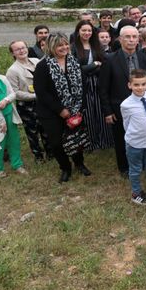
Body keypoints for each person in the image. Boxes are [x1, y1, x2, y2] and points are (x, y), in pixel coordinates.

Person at [34, 33, 92, 182]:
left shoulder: (73, 61)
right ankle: (65, 168)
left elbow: (82, 85)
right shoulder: (43, 66)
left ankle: (79, 163)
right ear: (51, 47)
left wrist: (78, 106)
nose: (64, 48)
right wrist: (60, 110)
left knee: (76, 139)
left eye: (66, 44)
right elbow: (41, 92)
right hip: (51, 112)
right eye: (60, 45)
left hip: (75, 109)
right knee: (57, 143)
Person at [100, 25, 142, 177]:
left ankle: (139, 163)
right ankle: (124, 167)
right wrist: (108, 111)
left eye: (134, 37)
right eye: (127, 37)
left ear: (138, 39)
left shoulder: (143, 57)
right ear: (120, 39)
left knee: (139, 136)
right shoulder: (110, 59)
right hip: (119, 107)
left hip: (141, 106)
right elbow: (103, 88)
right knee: (121, 138)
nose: (131, 40)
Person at [120, 69, 146, 205]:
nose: (140, 87)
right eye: (136, 84)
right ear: (129, 85)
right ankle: (136, 193)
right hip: (135, 143)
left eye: (143, 84)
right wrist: (135, 135)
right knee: (135, 169)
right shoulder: (126, 105)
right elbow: (126, 124)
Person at [72, 20, 112, 152]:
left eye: (89, 30)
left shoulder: (96, 46)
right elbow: (76, 69)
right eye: (84, 30)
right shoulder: (73, 48)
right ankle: (91, 143)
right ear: (78, 31)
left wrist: (93, 67)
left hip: (98, 83)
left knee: (101, 112)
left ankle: (105, 141)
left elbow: (104, 64)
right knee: (88, 113)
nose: (87, 33)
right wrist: (93, 65)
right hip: (83, 85)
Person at [6, 40, 48, 161]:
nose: (21, 51)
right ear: (12, 53)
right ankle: (38, 156)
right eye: (17, 49)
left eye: (23, 47)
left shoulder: (36, 61)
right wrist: (35, 95)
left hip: (42, 102)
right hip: (27, 106)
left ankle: (50, 152)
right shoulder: (12, 71)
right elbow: (15, 93)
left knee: (45, 128)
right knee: (32, 132)